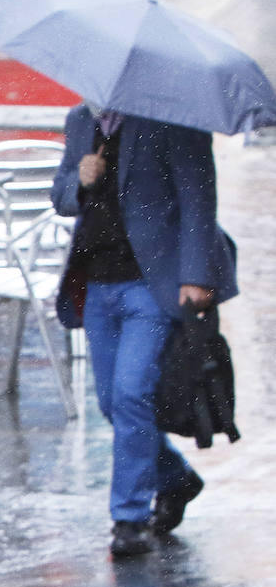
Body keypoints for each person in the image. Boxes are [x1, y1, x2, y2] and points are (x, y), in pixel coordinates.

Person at [51, 103, 238, 558]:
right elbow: (60, 197)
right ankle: (175, 479)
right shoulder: (80, 122)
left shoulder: (171, 117)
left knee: (134, 394)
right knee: (114, 404)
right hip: (97, 284)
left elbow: (198, 196)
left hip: (149, 284)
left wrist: (196, 276)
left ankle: (128, 518)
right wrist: (81, 178)